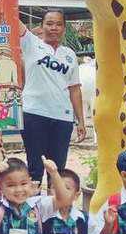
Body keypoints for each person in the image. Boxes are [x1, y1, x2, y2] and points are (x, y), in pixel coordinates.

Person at [18, 11, 86, 184]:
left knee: (57, 171)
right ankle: (34, 202)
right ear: (41, 26)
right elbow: (12, 18)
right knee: (35, 169)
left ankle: (54, 201)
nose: (53, 28)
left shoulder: (69, 54)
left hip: (62, 119)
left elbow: (74, 89)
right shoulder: (31, 43)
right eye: (49, 23)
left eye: (58, 24)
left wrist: (81, 121)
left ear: (64, 28)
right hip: (34, 115)